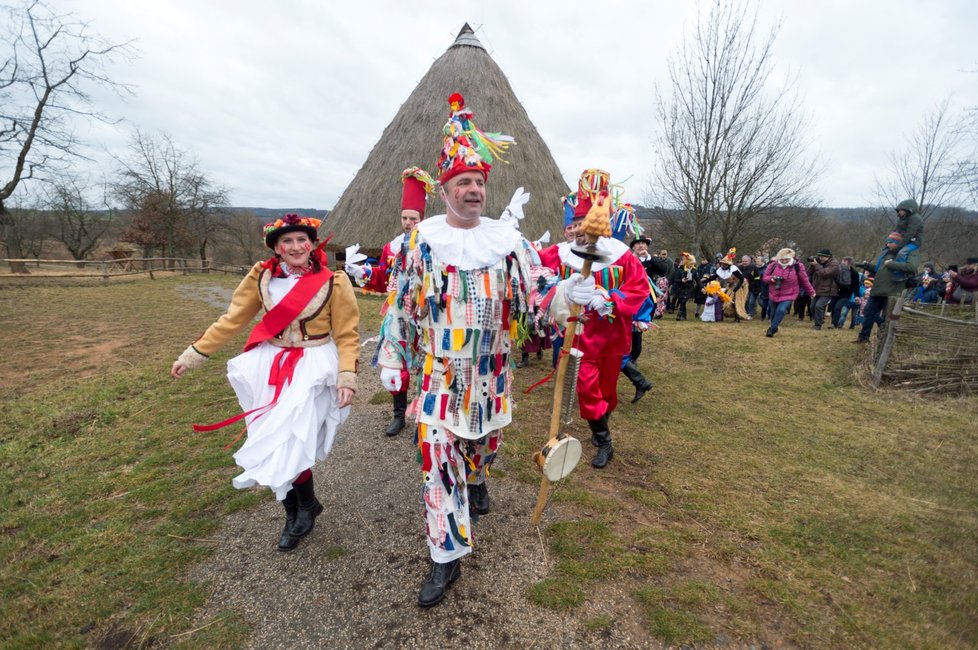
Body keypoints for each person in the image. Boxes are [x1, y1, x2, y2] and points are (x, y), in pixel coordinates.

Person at [376, 92, 534, 608]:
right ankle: (445, 558)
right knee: (437, 463)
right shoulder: (420, 241)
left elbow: (537, 300)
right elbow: (400, 304)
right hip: (440, 376)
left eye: (480, 182)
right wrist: (393, 357)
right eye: (464, 182)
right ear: (444, 190)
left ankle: (479, 473)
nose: (474, 190)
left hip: (492, 377)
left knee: (482, 448)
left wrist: (565, 300)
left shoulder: (508, 241)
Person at [171, 214, 360, 551]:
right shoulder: (261, 278)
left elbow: (347, 334)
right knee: (273, 439)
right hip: (270, 364)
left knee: (293, 439)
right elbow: (232, 320)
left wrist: (348, 376)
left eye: (302, 240)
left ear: (312, 244)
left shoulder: (335, 282)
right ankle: (298, 508)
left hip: (312, 367)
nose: (296, 246)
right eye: (287, 241)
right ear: (276, 247)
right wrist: (193, 355)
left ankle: (303, 508)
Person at [538, 169, 650, 469]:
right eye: (582, 228)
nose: (586, 235)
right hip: (578, 338)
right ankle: (604, 439)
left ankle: (601, 428)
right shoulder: (562, 254)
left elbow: (639, 289)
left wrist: (610, 299)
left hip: (614, 338)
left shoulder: (622, 255)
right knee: (586, 387)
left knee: (608, 392)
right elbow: (534, 267)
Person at [346, 167, 435, 436]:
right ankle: (399, 415)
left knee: (424, 367)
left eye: (413, 218)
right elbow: (384, 275)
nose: (408, 222)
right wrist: (364, 272)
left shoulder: (433, 243)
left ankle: (423, 420)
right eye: (405, 218)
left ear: (422, 218)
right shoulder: (392, 246)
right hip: (397, 316)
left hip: (424, 314)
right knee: (395, 365)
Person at [854, 231, 920, 343]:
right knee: (868, 312)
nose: (888, 244)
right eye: (887, 242)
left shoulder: (910, 252)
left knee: (888, 317)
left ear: (898, 243)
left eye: (890, 242)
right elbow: (878, 268)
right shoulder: (886, 253)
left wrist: (891, 264)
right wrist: (866, 266)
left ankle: (884, 338)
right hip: (878, 289)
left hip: (894, 290)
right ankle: (864, 337)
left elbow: (912, 267)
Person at [762, 247, 815, 337]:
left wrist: (811, 292)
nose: (784, 261)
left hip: (790, 293)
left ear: (791, 258)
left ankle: (772, 329)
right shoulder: (773, 265)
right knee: (773, 313)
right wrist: (771, 279)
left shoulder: (798, 266)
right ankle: (774, 325)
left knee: (781, 310)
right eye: (782, 259)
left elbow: (804, 280)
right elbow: (765, 277)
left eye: (786, 259)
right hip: (774, 292)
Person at [708, 248, 749, 321]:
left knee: (735, 301)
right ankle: (723, 315)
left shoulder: (733, 269)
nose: (722, 265)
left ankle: (738, 316)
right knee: (725, 299)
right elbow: (713, 277)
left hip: (739, 285)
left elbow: (741, 278)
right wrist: (704, 281)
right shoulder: (721, 270)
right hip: (731, 285)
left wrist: (736, 288)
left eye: (724, 264)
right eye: (722, 264)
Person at [807, 248, 839, 330]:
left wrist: (816, 265)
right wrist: (812, 264)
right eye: (820, 256)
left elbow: (825, 273)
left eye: (823, 257)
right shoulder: (819, 263)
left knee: (819, 306)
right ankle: (819, 320)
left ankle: (818, 325)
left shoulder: (834, 264)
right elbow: (808, 273)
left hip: (828, 289)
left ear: (828, 257)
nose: (820, 258)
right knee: (812, 306)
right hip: (817, 288)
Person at [671, 251, 701, 321]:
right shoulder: (680, 269)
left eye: (692, 264)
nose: (691, 265)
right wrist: (682, 280)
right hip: (681, 287)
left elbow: (698, 280)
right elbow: (676, 279)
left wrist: (702, 287)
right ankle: (684, 315)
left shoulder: (694, 271)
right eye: (690, 264)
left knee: (683, 301)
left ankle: (679, 315)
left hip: (689, 288)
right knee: (682, 301)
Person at [831, 256, 858, 327]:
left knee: (838, 307)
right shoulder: (838, 270)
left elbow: (856, 286)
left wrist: (857, 296)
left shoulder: (854, 273)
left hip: (846, 294)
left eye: (842, 261)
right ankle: (834, 322)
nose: (841, 263)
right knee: (833, 307)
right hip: (835, 292)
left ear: (846, 262)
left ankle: (833, 323)